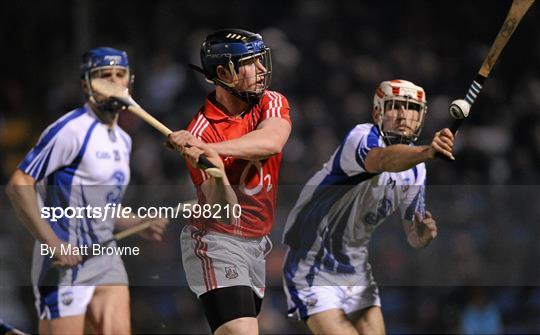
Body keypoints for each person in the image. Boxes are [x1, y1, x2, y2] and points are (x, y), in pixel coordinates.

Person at [5, 47, 168, 334]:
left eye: (120, 75)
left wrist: (138, 222)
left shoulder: (123, 140)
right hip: (65, 262)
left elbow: (98, 204)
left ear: (130, 80)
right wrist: (53, 242)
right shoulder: (71, 130)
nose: (114, 82)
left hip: (106, 257)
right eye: (104, 76)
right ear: (85, 84)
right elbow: (18, 185)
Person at [282, 79, 455, 334]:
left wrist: (423, 235)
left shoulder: (417, 170)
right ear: (378, 112)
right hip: (311, 263)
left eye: (413, 109)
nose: (403, 115)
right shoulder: (362, 137)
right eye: (395, 106)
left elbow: (413, 237)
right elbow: (383, 160)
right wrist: (428, 150)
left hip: (355, 267)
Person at [168, 29, 292, 335]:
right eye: (251, 63)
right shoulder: (200, 131)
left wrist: (213, 150)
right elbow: (225, 211)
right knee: (240, 331)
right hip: (216, 240)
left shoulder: (270, 101)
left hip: (256, 243)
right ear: (223, 72)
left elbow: (273, 140)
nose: (262, 70)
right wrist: (216, 172)